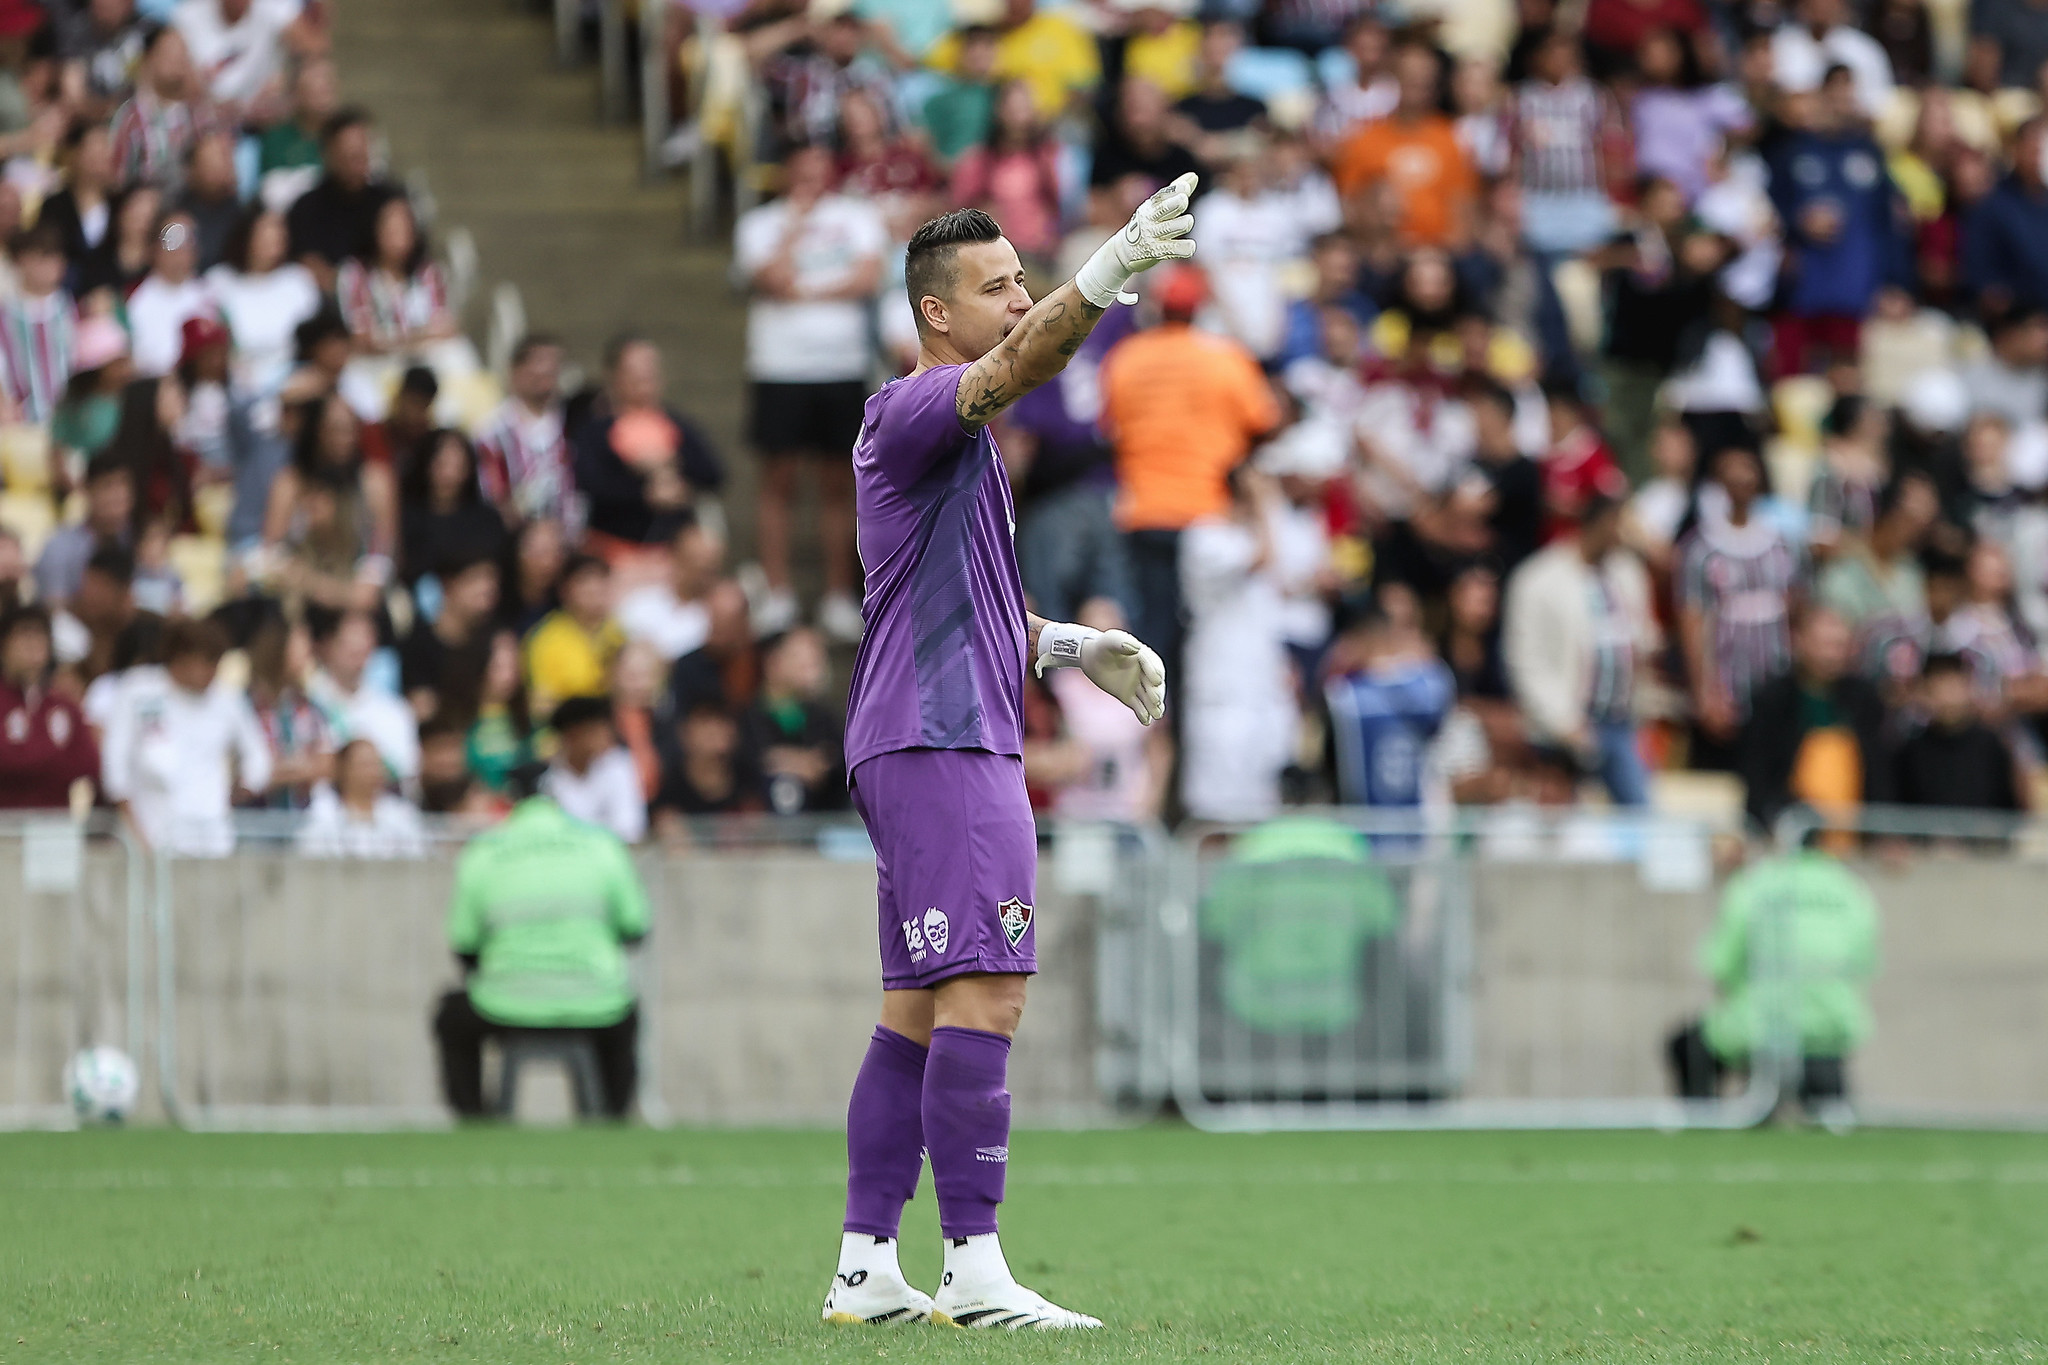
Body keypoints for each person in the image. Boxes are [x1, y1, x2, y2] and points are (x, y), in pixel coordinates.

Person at [822, 187, 1186, 1330]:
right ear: (935, 314)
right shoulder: (924, 406)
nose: (1019, 297)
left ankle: (864, 1268)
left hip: (915, 734)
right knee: (989, 991)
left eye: (1026, 277)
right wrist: (1108, 272)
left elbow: (967, 611)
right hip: (943, 742)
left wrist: (1073, 645)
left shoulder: (948, 445)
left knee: (916, 1015)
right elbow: (1018, 365)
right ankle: (972, 1269)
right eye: (997, 286)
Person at [434, 761, 650, 1118]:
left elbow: (464, 945)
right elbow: (635, 928)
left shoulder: (484, 851)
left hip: (504, 1002)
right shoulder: (602, 845)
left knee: (451, 1018)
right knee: (625, 1015)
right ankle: (612, 1118)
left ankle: (474, 1120)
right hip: (596, 1000)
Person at [1098, 265, 1280, 690]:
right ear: (1199, 308)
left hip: (1144, 513)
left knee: (1154, 641)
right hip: (1208, 518)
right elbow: (1265, 423)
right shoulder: (1227, 359)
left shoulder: (1126, 358)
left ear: (1158, 308)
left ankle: (1158, 737)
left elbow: (1109, 429)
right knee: (1209, 643)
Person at [734, 143, 884, 642]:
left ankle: (839, 594)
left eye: (822, 171)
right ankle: (777, 592)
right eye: (803, 172)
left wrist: (807, 289)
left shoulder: (858, 218)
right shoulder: (759, 224)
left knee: (838, 484)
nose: (813, 181)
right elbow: (769, 277)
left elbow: (867, 278)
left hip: (841, 366)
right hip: (779, 366)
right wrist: (795, 228)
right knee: (777, 481)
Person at [1667, 845, 1878, 1116]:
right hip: (1830, 1028)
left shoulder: (1756, 882)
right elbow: (1866, 960)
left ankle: (1701, 1125)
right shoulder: (1848, 887)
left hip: (1760, 1025)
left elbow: (1721, 963)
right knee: (1830, 1118)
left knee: (1687, 1046)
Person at [1503, 493, 1658, 806]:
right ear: (1598, 525)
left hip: (1620, 720)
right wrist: (1563, 723)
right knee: (1568, 825)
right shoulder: (1538, 579)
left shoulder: (1626, 573)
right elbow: (1525, 660)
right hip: (1566, 726)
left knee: (1641, 814)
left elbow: (1642, 638)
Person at [1178, 465, 1296, 823]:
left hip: (1262, 689)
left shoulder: (1255, 535)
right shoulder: (1205, 536)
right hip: (1221, 689)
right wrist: (1264, 501)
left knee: (1262, 807)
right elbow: (1264, 560)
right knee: (1217, 810)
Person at [99, 616, 271, 855]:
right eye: (207, 662)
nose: (213, 672)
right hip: (151, 836)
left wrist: (239, 790)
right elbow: (115, 768)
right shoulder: (138, 689)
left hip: (213, 841)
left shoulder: (226, 699)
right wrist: (136, 835)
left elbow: (258, 757)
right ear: (180, 658)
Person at [1678, 445, 1802, 771]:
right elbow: (1693, 618)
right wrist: (1705, 691)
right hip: (1727, 679)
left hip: (1775, 675)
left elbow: (1797, 609)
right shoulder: (1701, 547)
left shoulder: (1781, 543)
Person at [568, 334, 725, 559]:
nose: (645, 377)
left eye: (650, 369)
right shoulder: (595, 429)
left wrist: (671, 467)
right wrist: (644, 493)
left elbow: (712, 473)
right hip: (614, 547)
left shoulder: (675, 424)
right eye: (635, 371)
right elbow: (590, 481)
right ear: (615, 376)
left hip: (673, 550)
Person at [1738, 607, 1890, 834]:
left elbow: (1880, 771)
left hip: (1856, 834)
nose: (1831, 655)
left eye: (1839, 646)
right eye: (1824, 645)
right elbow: (1757, 774)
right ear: (1799, 641)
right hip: (1790, 833)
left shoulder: (1865, 699)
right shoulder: (1773, 700)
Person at [1892, 652, 2023, 811]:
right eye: (1938, 689)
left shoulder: (1991, 745)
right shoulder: (1911, 750)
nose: (1947, 698)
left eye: (1953, 686)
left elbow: (2010, 806)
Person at [0, 605, 99, 810]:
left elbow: (88, 765)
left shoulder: (64, 708)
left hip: (52, 829)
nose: (32, 645)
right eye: (24, 635)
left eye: (39, 635)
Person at [306, 608, 420, 785]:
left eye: (365, 639)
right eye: (348, 641)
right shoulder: (306, 701)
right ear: (326, 645)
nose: (358, 646)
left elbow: (406, 772)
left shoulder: (395, 711)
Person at [285, 108, 394, 291]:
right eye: (349, 153)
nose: (357, 159)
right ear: (329, 153)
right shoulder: (307, 208)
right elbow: (308, 265)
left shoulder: (389, 203)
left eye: (362, 149)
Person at [474, 333, 575, 530]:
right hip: (515, 537)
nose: (546, 377)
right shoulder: (493, 431)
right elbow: (491, 495)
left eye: (552, 371)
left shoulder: (570, 423)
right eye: (537, 370)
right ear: (516, 371)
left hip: (566, 537)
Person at [745, 625, 847, 814]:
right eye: (800, 659)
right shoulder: (750, 715)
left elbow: (832, 761)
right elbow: (752, 762)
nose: (812, 669)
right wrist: (804, 763)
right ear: (774, 662)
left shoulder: (823, 716)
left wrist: (785, 760)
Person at [524, 552, 623, 719]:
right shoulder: (545, 639)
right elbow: (541, 705)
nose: (594, 589)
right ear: (565, 590)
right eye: (585, 583)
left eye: (601, 581)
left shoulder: (621, 632)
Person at [295, 736, 428, 858]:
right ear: (343, 769)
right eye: (364, 765)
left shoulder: (400, 813)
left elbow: (417, 855)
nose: (373, 772)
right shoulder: (322, 811)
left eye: (377, 764)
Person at [540, 694, 646, 844]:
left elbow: (630, 828)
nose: (607, 736)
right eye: (596, 730)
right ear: (573, 734)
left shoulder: (618, 764)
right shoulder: (545, 778)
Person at [0, 223, 78, 424]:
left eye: (56, 257)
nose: (53, 265)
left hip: (66, 421)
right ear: (21, 260)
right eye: (44, 257)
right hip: (20, 423)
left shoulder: (67, 307)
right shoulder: (6, 313)